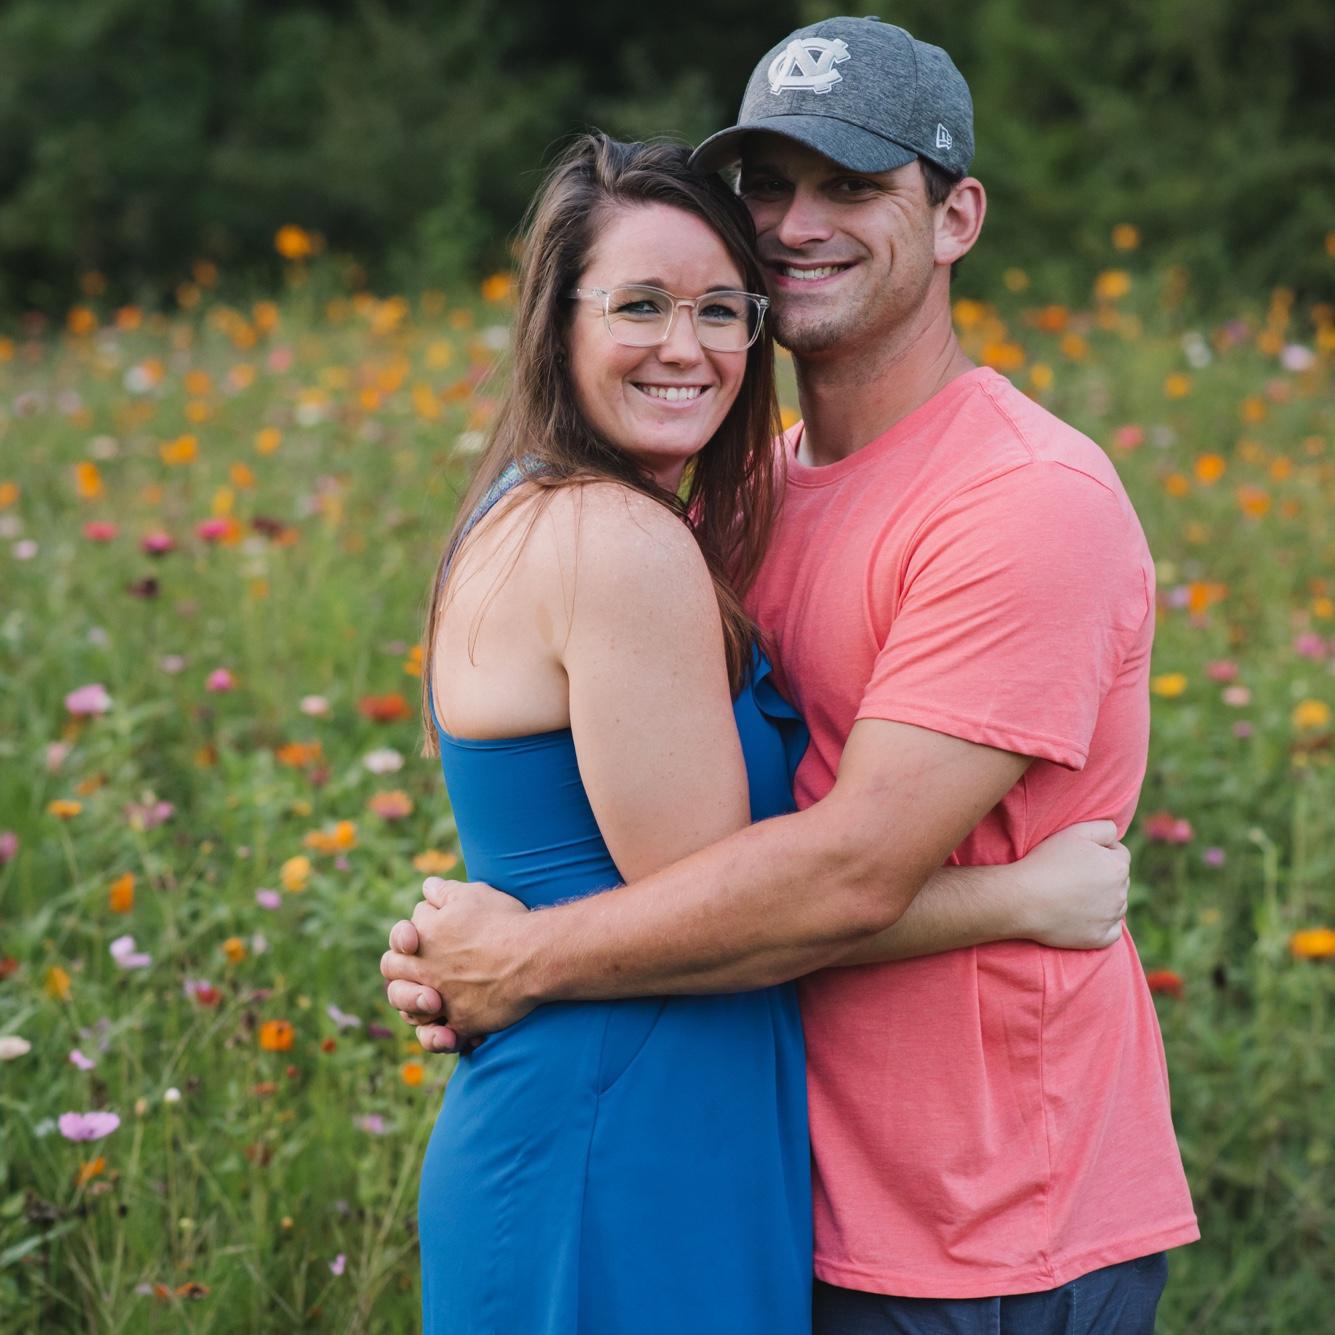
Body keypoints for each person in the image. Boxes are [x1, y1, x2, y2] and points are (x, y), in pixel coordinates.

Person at [395, 55, 1154, 1333]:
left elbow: (841, 874)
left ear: (958, 217)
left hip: (980, 1222)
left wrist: (522, 955)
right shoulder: (731, 501)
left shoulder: (1024, 501)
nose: (798, 223)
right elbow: (666, 856)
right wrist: (1021, 894)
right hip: (767, 1166)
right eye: (768, 184)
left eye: (851, 186)